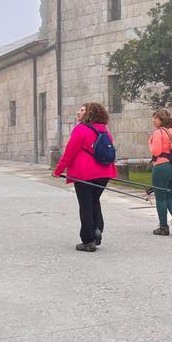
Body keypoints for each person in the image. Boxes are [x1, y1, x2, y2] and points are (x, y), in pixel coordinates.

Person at [53, 103, 116, 252]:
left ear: (90, 113)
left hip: (85, 173)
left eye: (82, 110)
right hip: (104, 173)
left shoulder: (80, 130)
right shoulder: (104, 130)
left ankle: (88, 240)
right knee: (95, 201)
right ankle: (97, 229)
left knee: (86, 205)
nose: (78, 112)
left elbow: (69, 153)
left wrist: (58, 170)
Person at [148, 109, 172, 236]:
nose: (153, 120)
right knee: (170, 196)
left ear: (161, 120)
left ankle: (163, 227)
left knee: (160, 198)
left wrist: (150, 142)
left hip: (162, 166)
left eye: (155, 118)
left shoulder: (158, 132)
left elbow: (156, 152)